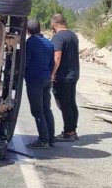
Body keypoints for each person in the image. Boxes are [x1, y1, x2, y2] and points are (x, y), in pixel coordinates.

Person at [24, 19, 56, 148]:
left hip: (34, 80)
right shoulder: (48, 43)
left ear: (28, 31)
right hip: (46, 78)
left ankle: (43, 140)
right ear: (40, 28)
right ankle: (51, 138)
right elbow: (51, 63)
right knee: (46, 108)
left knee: (37, 111)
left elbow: (26, 62)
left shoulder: (30, 43)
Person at [50, 13, 79, 141]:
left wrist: (52, 73)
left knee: (64, 104)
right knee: (71, 103)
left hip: (63, 76)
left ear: (54, 24)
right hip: (73, 74)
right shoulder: (73, 35)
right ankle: (72, 130)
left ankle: (69, 132)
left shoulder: (58, 37)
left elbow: (57, 56)